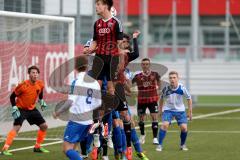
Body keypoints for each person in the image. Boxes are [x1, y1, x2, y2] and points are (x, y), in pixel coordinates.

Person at [53, 56, 102, 160]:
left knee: (66, 149)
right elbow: (98, 103)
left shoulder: (77, 81)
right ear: (88, 67)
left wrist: (58, 112)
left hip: (77, 121)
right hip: (88, 121)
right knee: (74, 148)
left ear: (75, 67)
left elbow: (70, 101)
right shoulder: (95, 83)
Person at [1, 66, 49, 156]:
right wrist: (14, 107)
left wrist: (41, 100)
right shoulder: (23, 85)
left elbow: (40, 92)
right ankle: (4, 149)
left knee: (44, 126)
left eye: (36, 73)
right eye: (33, 73)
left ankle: (37, 147)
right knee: (17, 128)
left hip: (32, 109)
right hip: (21, 109)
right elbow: (12, 97)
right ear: (29, 74)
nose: (35, 74)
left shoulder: (40, 84)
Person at [84, 0, 123, 96]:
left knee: (111, 89)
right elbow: (95, 41)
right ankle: (97, 110)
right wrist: (90, 49)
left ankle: (109, 109)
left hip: (112, 59)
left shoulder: (116, 22)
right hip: (99, 58)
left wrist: (121, 61)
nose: (96, 7)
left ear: (105, 6)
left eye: (98, 4)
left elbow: (120, 45)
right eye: (96, 5)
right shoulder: (97, 23)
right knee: (96, 87)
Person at [156, 71, 192, 152]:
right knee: (164, 125)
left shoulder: (182, 88)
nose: (172, 79)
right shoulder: (166, 88)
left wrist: (190, 112)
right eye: (170, 78)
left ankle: (182, 145)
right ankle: (159, 145)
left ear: (177, 79)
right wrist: (160, 110)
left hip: (180, 110)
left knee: (184, 128)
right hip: (168, 110)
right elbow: (161, 99)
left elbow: (189, 98)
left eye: (174, 78)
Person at [132, 58, 161, 145]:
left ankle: (155, 138)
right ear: (141, 65)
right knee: (141, 119)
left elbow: (159, 82)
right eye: (143, 64)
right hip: (142, 100)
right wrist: (132, 91)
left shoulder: (155, 74)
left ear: (149, 65)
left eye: (147, 64)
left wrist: (158, 90)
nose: (145, 65)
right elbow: (130, 83)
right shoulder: (137, 76)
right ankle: (142, 135)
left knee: (154, 117)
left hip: (152, 99)